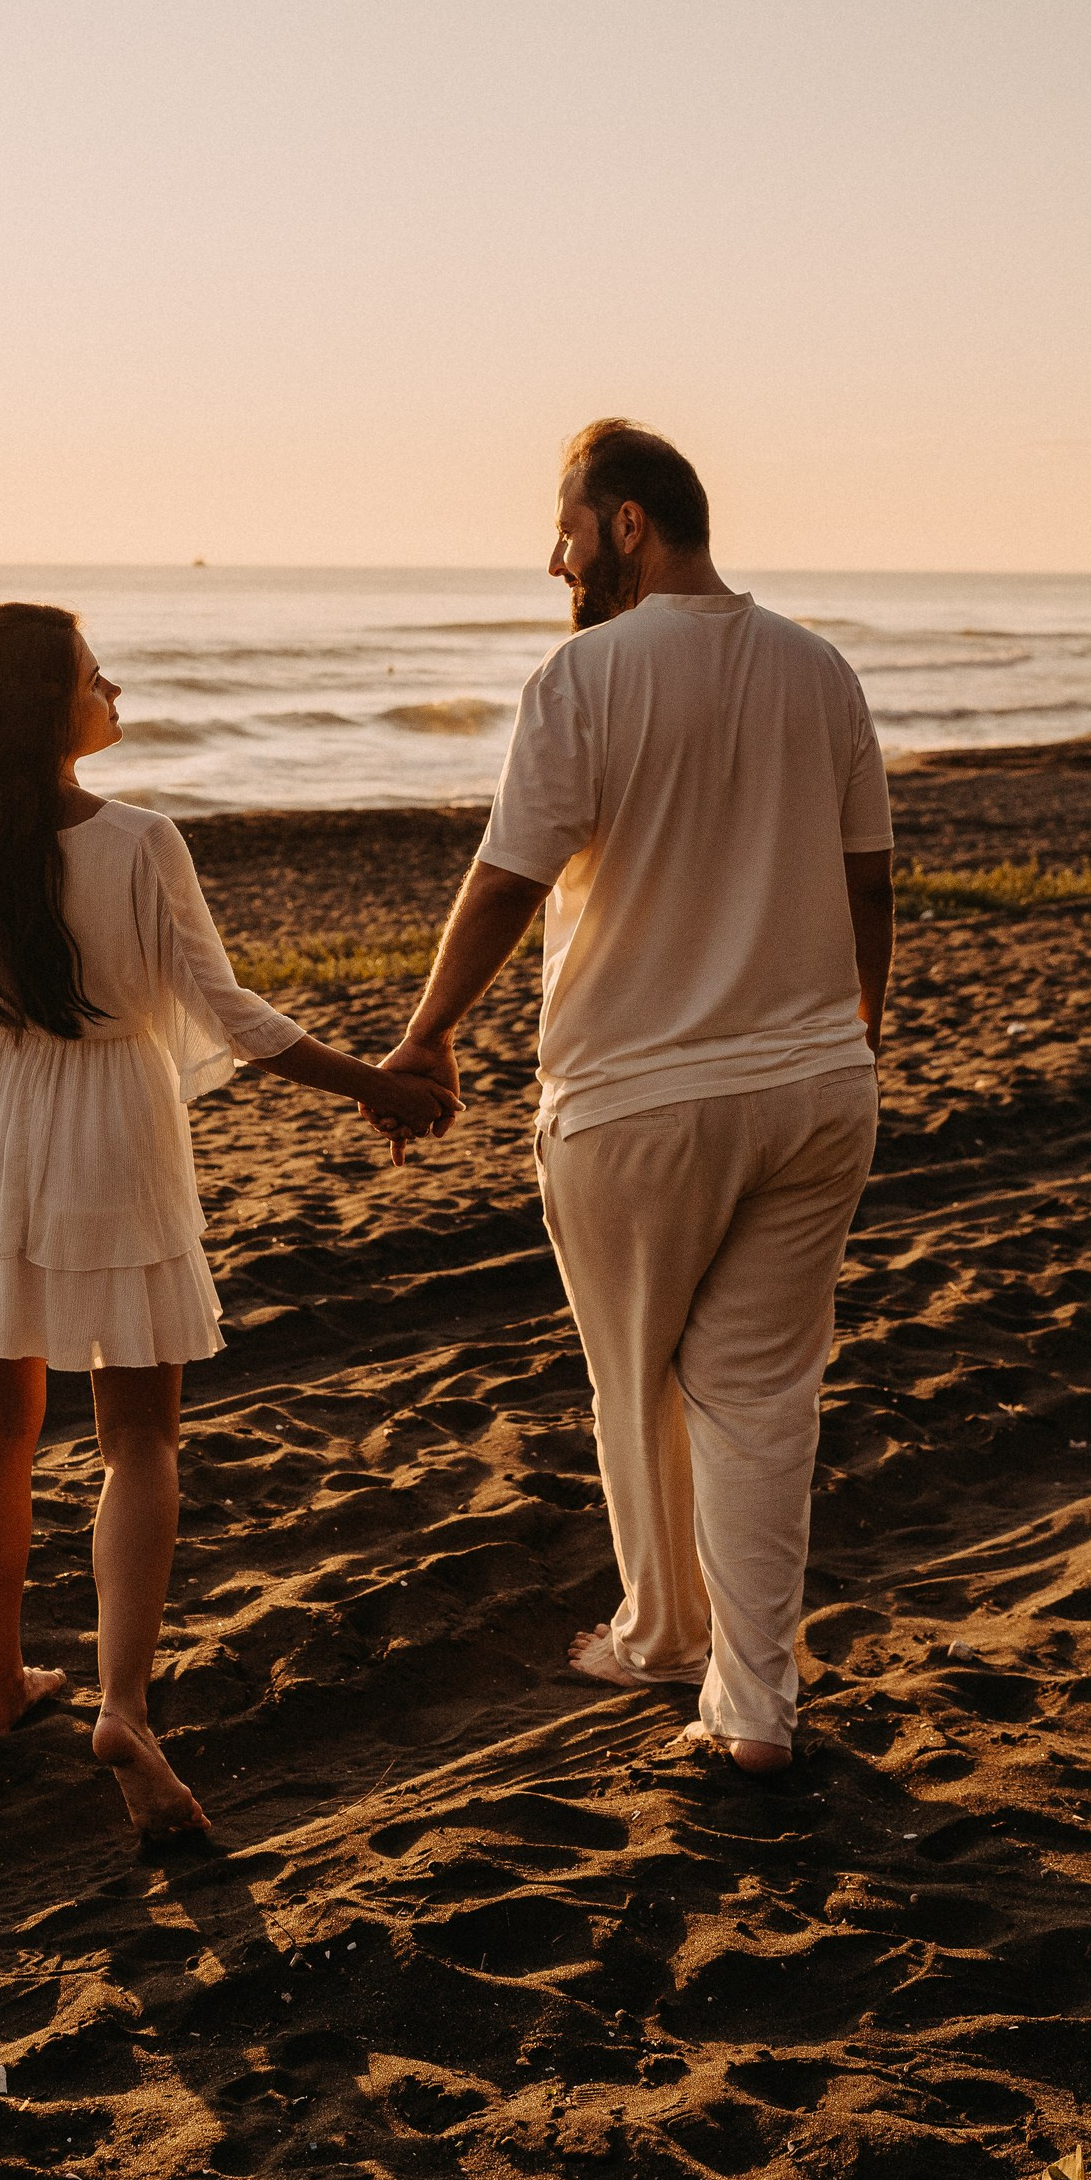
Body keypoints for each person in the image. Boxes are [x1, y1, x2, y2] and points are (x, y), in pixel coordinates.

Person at [0, 600, 455, 1834]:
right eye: (90, 674)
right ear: (42, 709)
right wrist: (377, 1088)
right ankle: (120, 1701)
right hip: (112, 1132)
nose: (111, 687)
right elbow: (232, 1017)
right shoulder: (138, 841)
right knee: (139, 1435)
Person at [378, 422, 894, 1773]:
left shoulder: (584, 677)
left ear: (623, 523)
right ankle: (757, 1705)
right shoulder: (821, 668)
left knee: (636, 1382)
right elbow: (868, 879)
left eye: (565, 527)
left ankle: (666, 1636)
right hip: (813, 1091)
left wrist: (425, 1034)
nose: (552, 558)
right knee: (762, 1400)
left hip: (635, 1101)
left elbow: (509, 877)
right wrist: (856, 1037)